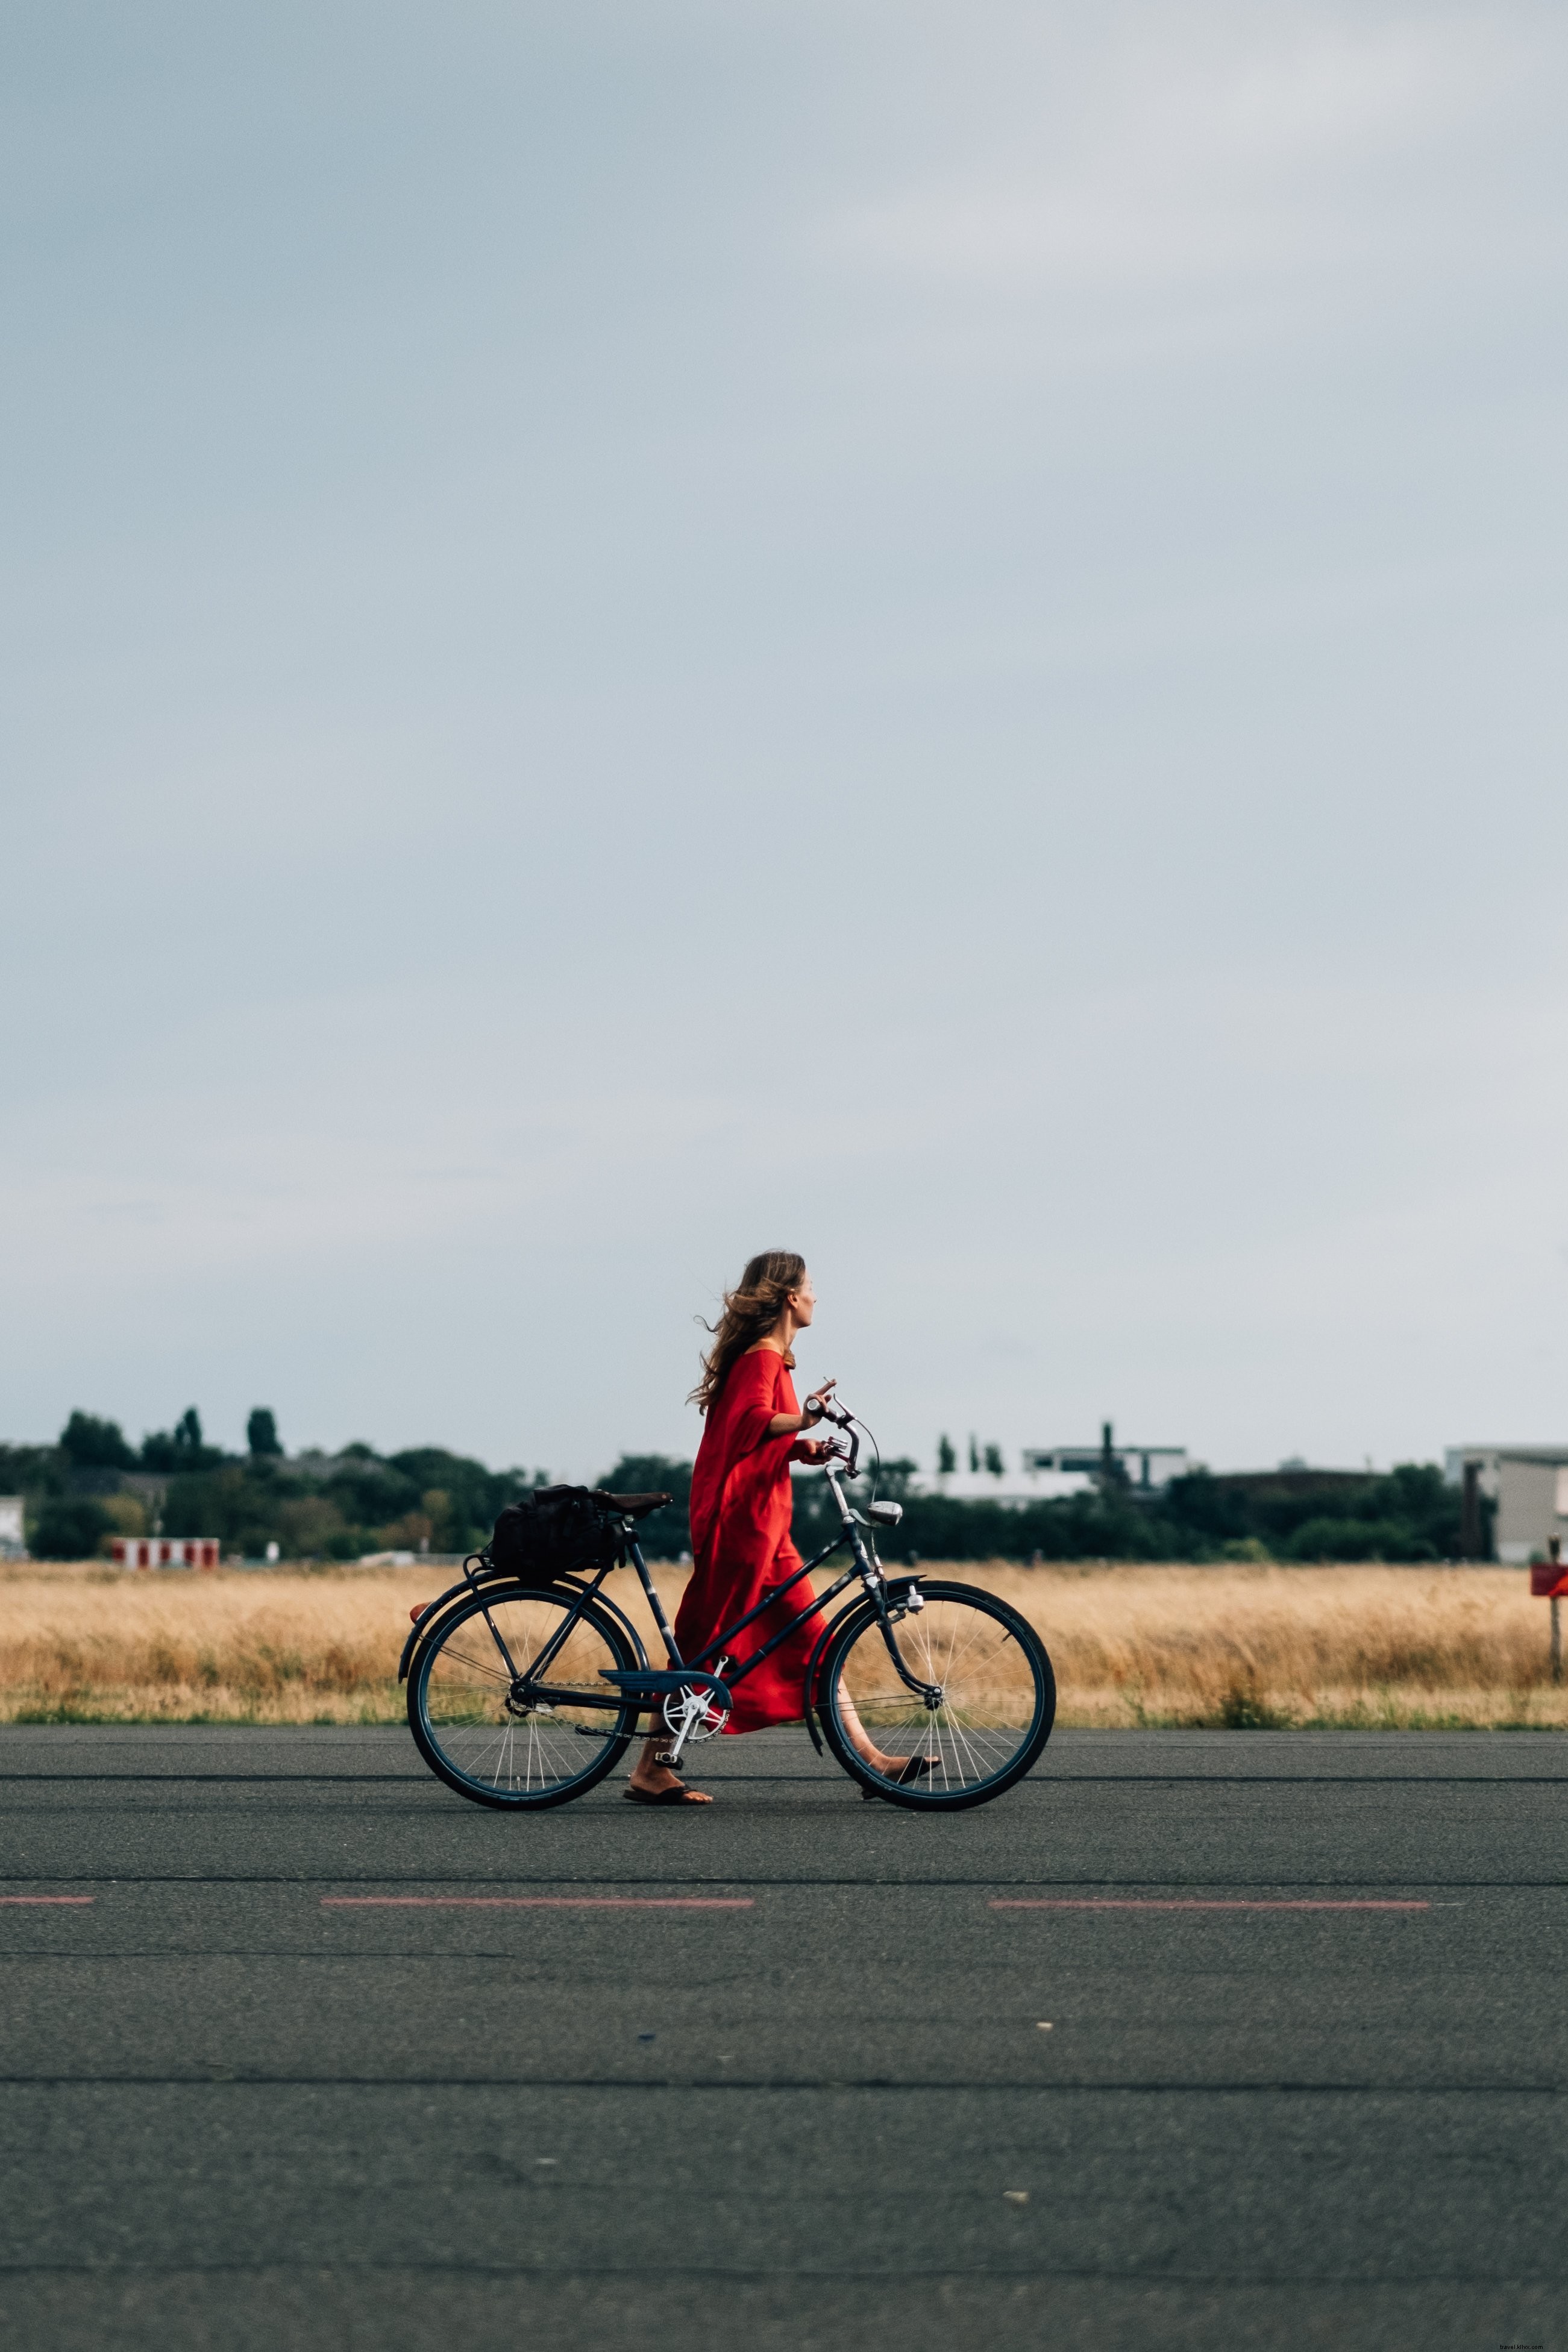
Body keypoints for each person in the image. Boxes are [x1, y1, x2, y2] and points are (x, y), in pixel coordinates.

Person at [626, 1250, 932, 1805]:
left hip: (767, 1530)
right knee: (706, 1644)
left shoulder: (768, 1360)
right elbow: (748, 1423)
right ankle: (650, 1767)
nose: (816, 1295)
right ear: (790, 1296)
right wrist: (804, 1420)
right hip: (745, 1529)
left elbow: (755, 1435)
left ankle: (873, 1763)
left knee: (813, 1644)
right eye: (811, 1286)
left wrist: (797, 1445)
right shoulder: (762, 1359)